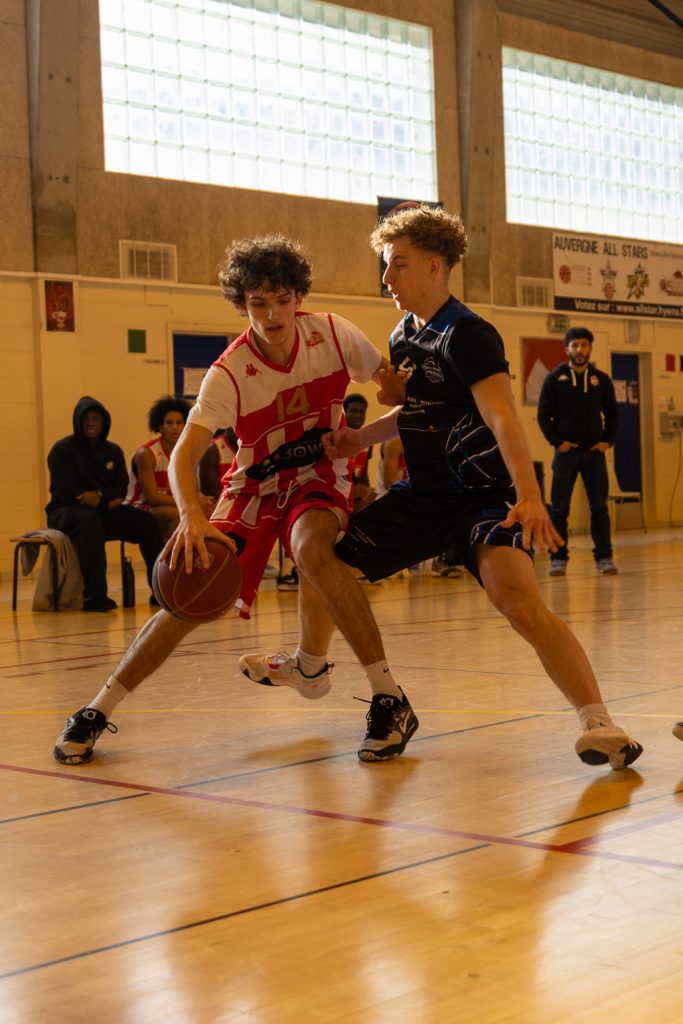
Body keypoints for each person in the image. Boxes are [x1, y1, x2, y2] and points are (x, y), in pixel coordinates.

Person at [267, 205, 641, 770]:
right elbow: (418, 412)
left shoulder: (470, 335)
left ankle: (600, 723)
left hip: (483, 499)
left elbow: (502, 417)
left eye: (398, 265)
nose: (387, 277)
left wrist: (529, 496)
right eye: (385, 265)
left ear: (435, 267)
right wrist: (358, 439)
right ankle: (310, 665)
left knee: (518, 603)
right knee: (323, 562)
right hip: (423, 497)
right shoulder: (403, 336)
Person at [53, 235, 418, 766]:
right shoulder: (229, 372)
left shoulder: (335, 334)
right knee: (189, 588)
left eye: (282, 300)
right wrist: (191, 516)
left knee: (313, 548)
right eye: (257, 303)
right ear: (242, 305)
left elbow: (393, 386)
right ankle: (96, 709)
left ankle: (388, 697)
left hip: (320, 468)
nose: (272, 314)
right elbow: (182, 455)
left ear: (299, 296)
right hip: (254, 484)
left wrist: (393, 391)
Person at [46, 397, 164, 611]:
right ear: (78, 422)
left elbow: (120, 488)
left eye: (96, 419)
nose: (91, 423)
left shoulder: (113, 451)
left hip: (101, 511)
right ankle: (94, 595)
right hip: (65, 512)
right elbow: (66, 493)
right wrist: (104, 503)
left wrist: (99, 496)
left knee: (147, 522)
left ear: (104, 422)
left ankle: (160, 590)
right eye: (86, 419)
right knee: (89, 521)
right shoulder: (62, 450)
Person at [537, 327, 619, 576]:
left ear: (590, 347)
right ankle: (558, 559)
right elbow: (543, 415)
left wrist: (607, 441)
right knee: (559, 510)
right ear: (567, 349)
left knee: (599, 509)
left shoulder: (601, 379)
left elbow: (613, 414)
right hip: (566, 454)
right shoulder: (554, 378)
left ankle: (604, 558)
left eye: (584, 345)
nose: (579, 350)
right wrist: (557, 442)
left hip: (594, 454)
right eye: (575, 345)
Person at [126, 395, 214, 541]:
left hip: (173, 504)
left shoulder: (189, 453)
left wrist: (201, 500)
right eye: (169, 423)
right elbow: (153, 498)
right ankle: (170, 556)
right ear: (160, 427)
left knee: (210, 514)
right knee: (178, 516)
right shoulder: (147, 453)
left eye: (179, 423)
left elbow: (193, 488)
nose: (174, 427)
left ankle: (202, 556)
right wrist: (192, 502)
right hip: (139, 507)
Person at [343, 393, 376, 513]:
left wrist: (367, 490)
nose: (358, 416)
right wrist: (350, 491)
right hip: (342, 497)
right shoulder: (337, 439)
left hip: (360, 500)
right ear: (345, 412)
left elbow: (363, 470)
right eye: (353, 411)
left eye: (362, 412)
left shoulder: (368, 439)